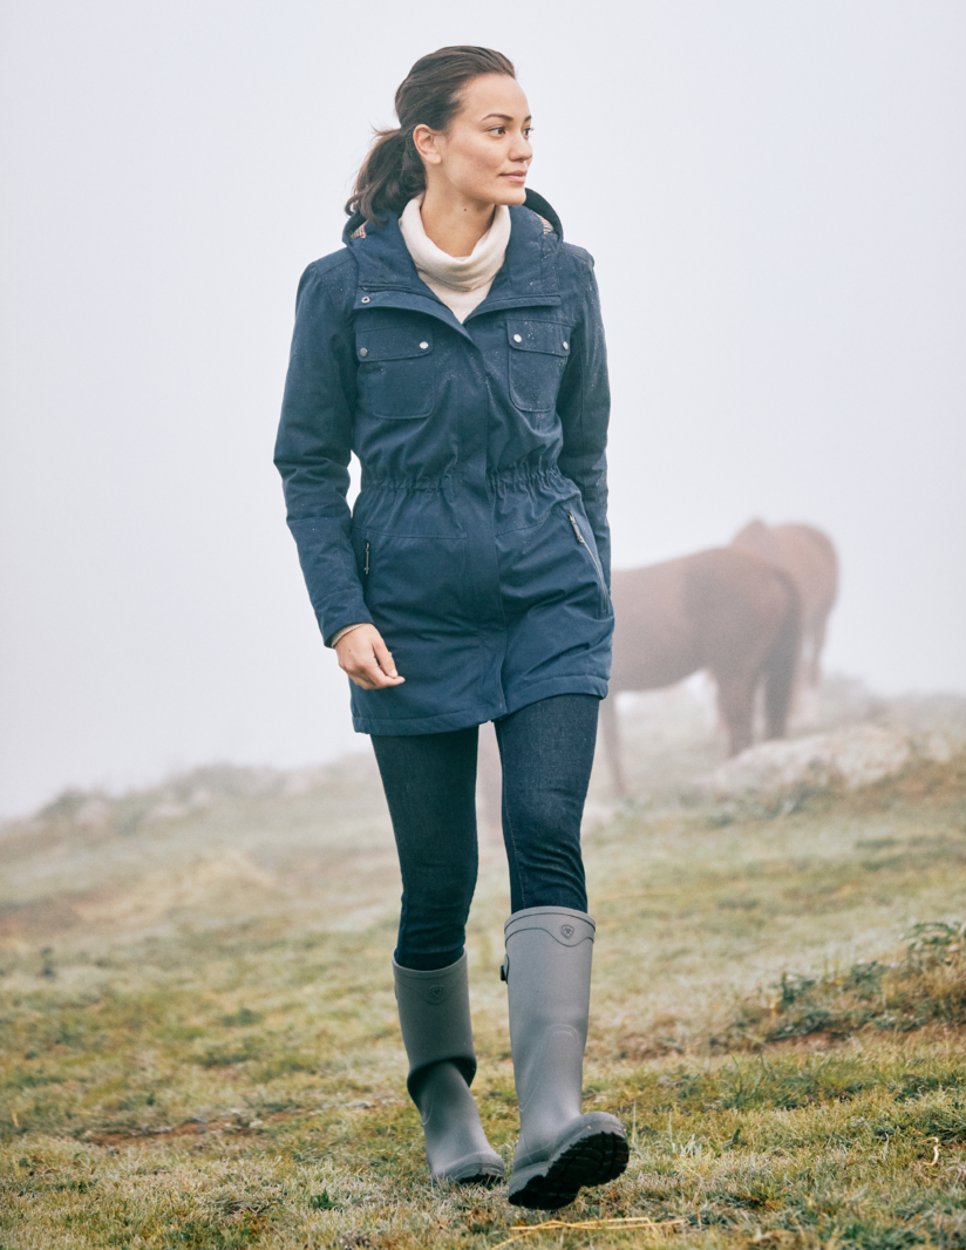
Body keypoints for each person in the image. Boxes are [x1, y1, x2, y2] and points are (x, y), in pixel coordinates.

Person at [274, 46, 627, 1210]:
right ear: (429, 140)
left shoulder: (563, 274)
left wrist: (596, 587)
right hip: (407, 612)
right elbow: (310, 465)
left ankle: (553, 1115)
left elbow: (584, 454)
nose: (520, 145)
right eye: (494, 127)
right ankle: (447, 1104)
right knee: (440, 874)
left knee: (542, 826)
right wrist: (343, 617)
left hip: (547, 599)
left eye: (527, 126)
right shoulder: (343, 287)